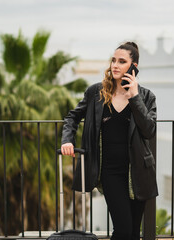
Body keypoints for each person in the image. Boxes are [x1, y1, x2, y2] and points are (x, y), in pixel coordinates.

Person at [61, 42, 158, 240]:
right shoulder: (96, 92)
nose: (115, 65)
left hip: (138, 172)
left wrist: (134, 97)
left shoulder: (146, 96)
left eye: (122, 61)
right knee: (122, 230)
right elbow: (72, 117)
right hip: (110, 172)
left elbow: (149, 130)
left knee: (132, 233)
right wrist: (67, 140)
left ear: (134, 67)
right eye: (113, 60)